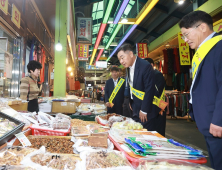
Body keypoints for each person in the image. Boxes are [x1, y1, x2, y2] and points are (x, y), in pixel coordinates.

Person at [179, 10, 222, 169]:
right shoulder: (204, 51)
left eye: (187, 34)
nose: (185, 40)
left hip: (217, 124)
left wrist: (219, 119)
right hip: (209, 124)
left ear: (202, 27)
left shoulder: (219, 47)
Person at [117, 44, 156, 131]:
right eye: (119, 59)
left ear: (131, 54)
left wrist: (144, 110)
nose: (121, 61)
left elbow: (149, 89)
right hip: (135, 107)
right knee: (135, 133)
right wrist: (131, 102)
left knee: (144, 136)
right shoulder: (128, 67)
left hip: (146, 110)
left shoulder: (145, 66)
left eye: (122, 57)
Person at [145, 58, 166, 136]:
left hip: (158, 106)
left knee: (158, 130)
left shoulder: (157, 74)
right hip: (151, 107)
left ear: (151, 65)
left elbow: (157, 92)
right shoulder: (147, 75)